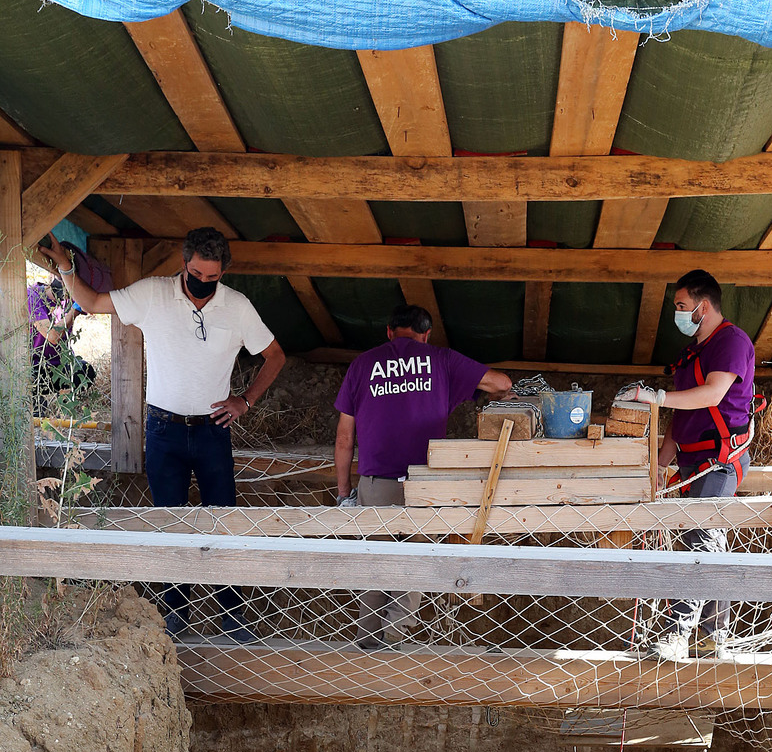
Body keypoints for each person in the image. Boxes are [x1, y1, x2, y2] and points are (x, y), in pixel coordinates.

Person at [37, 226, 286, 643]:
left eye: (212, 277)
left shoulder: (238, 307)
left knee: (222, 523)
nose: (203, 283)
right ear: (182, 264)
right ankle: (175, 616)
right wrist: (66, 266)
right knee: (169, 522)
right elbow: (94, 301)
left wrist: (245, 400)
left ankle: (233, 617)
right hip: (164, 430)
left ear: (224, 271)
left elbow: (275, 356)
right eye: (196, 273)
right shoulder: (153, 293)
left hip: (213, 432)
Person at [334, 304, 513, 649]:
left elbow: (344, 438)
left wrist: (344, 492)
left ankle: (365, 643)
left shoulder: (362, 365)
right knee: (415, 565)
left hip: (376, 483)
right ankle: (394, 642)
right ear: (427, 334)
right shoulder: (441, 359)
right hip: (425, 485)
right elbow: (501, 383)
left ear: (389, 331)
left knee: (377, 566)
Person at [627, 268, 758, 662]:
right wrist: (660, 464)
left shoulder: (731, 342)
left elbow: (713, 395)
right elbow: (680, 422)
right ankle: (716, 638)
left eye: (682, 307)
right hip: (690, 460)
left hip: (720, 461)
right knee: (705, 541)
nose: (678, 315)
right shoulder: (691, 354)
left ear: (704, 306)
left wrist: (656, 397)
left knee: (703, 539)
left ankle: (676, 637)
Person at [28, 276, 96, 407]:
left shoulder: (70, 298)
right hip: (34, 366)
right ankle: (35, 399)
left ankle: (63, 404)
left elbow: (94, 305)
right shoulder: (32, 295)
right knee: (36, 409)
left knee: (86, 371)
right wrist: (75, 310)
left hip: (58, 365)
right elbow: (53, 336)